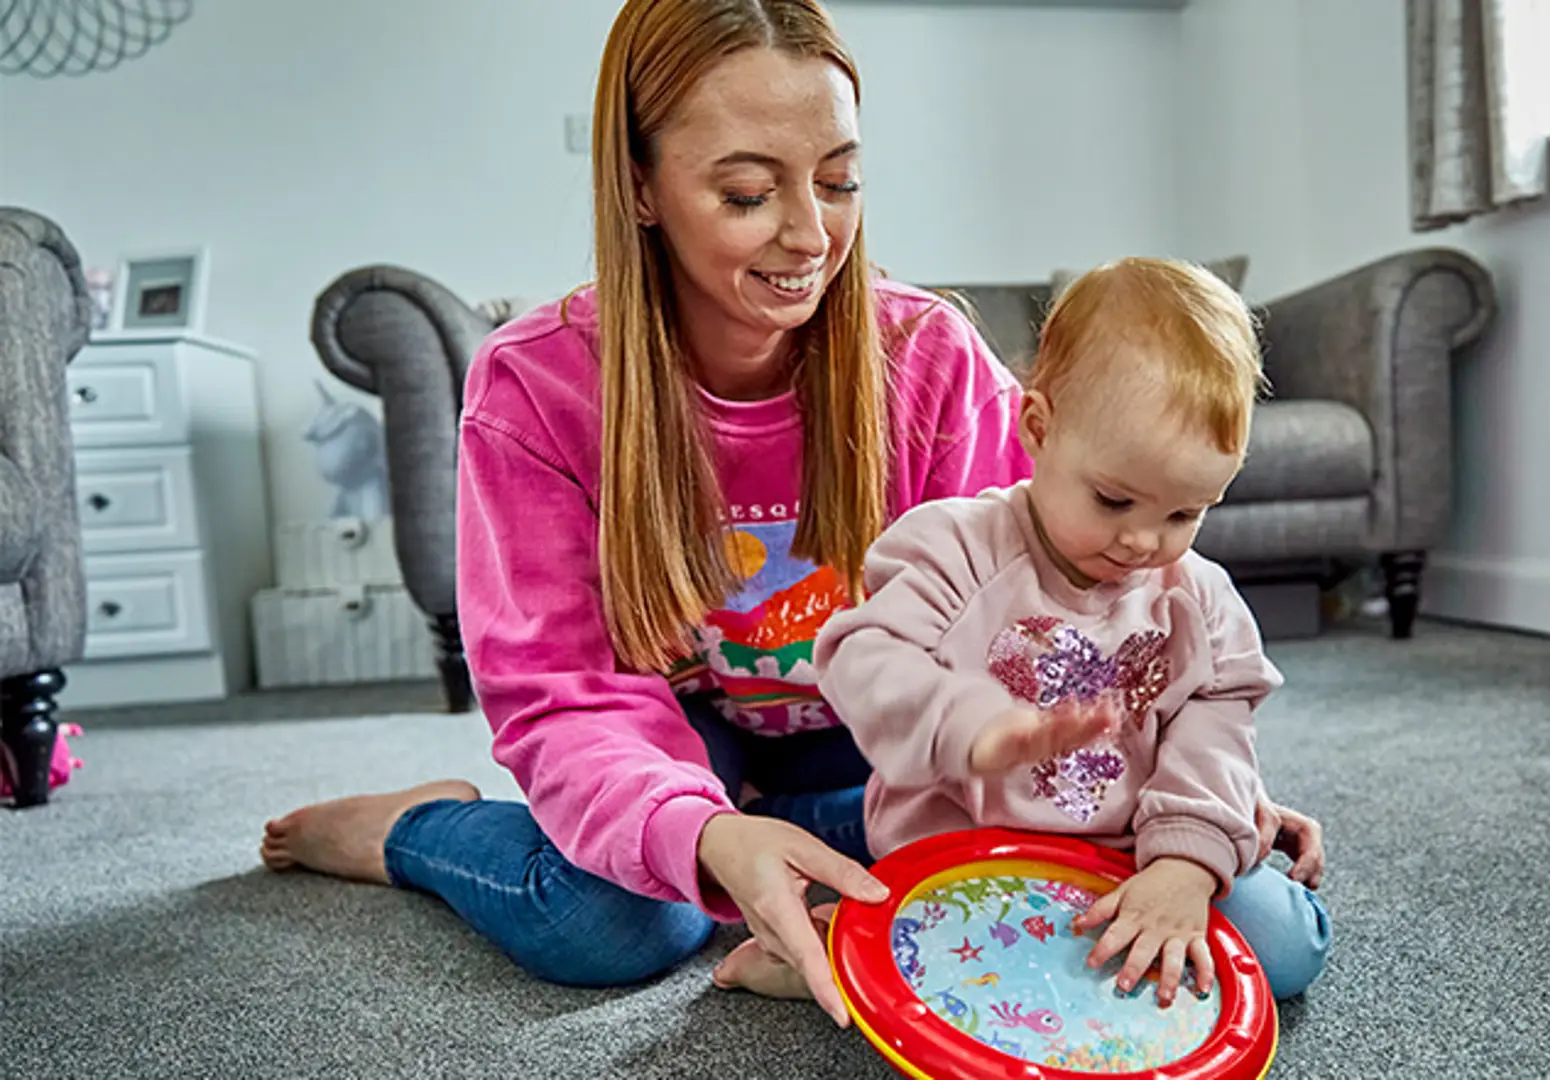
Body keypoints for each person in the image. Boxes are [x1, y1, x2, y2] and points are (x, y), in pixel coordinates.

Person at [259, 0, 1321, 1029]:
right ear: (641, 185)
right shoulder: (537, 386)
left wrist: (1173, 798)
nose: (812, 235)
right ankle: (416, 829)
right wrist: (700, 835)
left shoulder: (932, 359)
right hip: (680, 731)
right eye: (748, 194)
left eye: (840, 180)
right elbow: (563, 696)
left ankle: (771, 845)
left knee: (1042, 874)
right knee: (607, 923)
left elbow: (1057, 625)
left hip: (890, 737)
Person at [718, 257, 1333, 1009]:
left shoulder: (1198, 596)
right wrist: (968, 722)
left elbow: (1217, 728)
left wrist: (1188, 862)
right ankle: (834, 944)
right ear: (1037, 427)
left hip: (1131, 853)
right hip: (964, 853)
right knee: (960, 965)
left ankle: (903, 948)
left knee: (1284, 948)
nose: (1144, 542)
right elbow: (861, 656)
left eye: (1184, 514)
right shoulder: (954, 547)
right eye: (1115, 500)